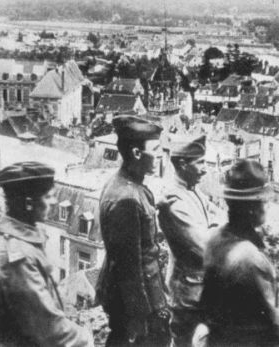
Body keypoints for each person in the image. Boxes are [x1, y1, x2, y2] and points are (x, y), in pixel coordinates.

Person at [0, 161, 93, 347]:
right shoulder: (17, 256)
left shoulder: (4, 236)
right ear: (29, 203)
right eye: (48, 196)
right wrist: (86, 338)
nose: (54, 202)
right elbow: (49, 328)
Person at [195, 160, 279, 347]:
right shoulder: (249, 257)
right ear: (251, 208)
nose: (268, 205)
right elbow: (271, 324)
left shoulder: (216, 238)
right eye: (264, 201)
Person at [96, 116, 170, 347]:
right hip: (137, 305)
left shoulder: (128, 186)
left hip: (139, 296)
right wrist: (139, 319)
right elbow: (129, 268)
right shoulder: (126, 198)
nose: (159, 155)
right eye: (155, 150)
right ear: (137, 153)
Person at [157, 135, 222, 347]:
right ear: (183, 165)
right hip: (187, 296)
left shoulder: (193, 191)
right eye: (200, 162)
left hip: (200, 291)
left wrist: (213, 228)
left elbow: (221, 217)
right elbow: (206, 249)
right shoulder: (174, 201)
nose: (205, 169)